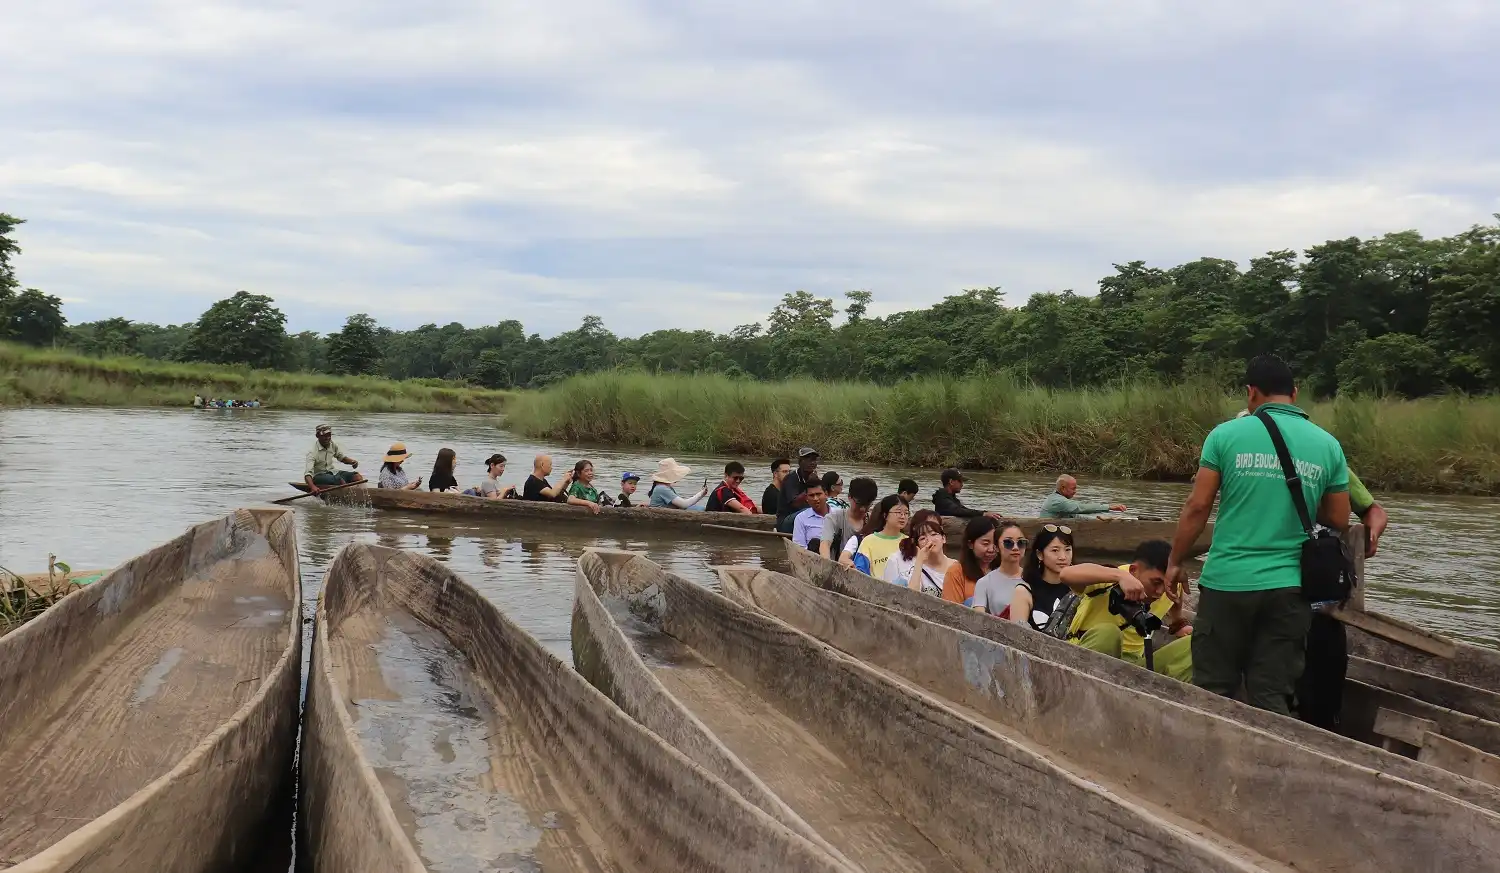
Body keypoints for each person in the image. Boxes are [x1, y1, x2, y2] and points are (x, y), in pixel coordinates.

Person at [1167, 355, 1350, 716]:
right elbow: (1339, 517)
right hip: (1289, 588)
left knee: (1213, 689)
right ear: (1294, 393)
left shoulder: (1225, 435)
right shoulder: (1327, 445)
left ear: (1251, 392)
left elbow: (1197, 507)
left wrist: (1175, 560)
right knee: (1272, 694)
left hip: (1228, 584)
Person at [1060, 540, 1193, 682]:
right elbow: (1066, 574)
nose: (1160, 592)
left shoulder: (1169, 589)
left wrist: (1178, 622)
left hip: (1134, 665)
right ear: (1134, 571)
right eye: (1155, 583)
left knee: (1198, 643)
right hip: (1089, 653)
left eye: (1167, 584)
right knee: (1109, 633)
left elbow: (1176, 597)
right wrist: (1120, 576)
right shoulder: (1110, 579)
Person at [1011, 524, 1075, 630]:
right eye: (1055, 550)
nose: (1063, 557)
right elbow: (1016, 635)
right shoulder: (1024, 591)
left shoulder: (1077, 589)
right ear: (1040, 554)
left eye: (1067, 550)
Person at [885, 509, 954, 596]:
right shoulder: (896, 559)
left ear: (943, 536)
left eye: (933, 531)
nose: (929, 539)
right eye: (923, 535)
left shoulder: (955, 566)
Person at [941, 516, 1002, 607]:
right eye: (985, 543)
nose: (991, 549)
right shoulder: (956, 572)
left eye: (996, 543)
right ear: (970, 544)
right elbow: (952, 611)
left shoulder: (1004, 569)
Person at [971, 520, 1027, 618]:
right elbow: (978, 619)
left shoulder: (1034, 579)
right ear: (996, 547)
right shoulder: (985, 582)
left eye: (1021, 542)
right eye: (1008, 543)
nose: (1015, 548)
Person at [819, 477, 878, 564]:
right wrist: (827, 562)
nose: (862, 509)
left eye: (867, 504)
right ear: (849, 497)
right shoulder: (833, 518)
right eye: (859, 503)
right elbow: (825, 544)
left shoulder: (874, 521)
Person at [853, 495, 909, 577]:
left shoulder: (909, 541)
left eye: (906, 513)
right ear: (885, 515)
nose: (903, 516)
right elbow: (860, 572)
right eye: (898, 512)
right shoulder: (869, 541)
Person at [522, 455, 596, 513]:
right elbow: (552, 493)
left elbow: (556, 496)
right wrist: (563, 479)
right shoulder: (533, 481)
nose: (551, 468)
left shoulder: (542, 481)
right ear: (542, 465)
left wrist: (566, 483)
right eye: (550, 465)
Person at [303, 424, 364, 493]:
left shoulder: (332, 444)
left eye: (329, 435)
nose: (327, 438)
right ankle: (348, 497)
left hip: (332, 472)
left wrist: (352, 462)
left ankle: (360, 495)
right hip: (318, 476)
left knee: (357, 477)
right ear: (318, 436)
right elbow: (307, 474)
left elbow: (341, 457)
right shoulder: (312, 452)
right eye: (324, 436)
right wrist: (312, 487)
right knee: (339, 480)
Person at [777, 447, 822, 533]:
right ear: (800, 462)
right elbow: (795, 503)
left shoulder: (813, 477)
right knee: (811, 511)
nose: (812, 463)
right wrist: (809, 486)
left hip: (802, 518)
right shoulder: (791, 478)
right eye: (809, 460)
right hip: (785, 521)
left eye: (814, 460)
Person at [1040, 475, 1126, 518]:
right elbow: (1081, 508)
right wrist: (1109, 507)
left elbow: (1075, 515)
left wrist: (1098, 519)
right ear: (1063, 488)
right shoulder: (1058, 501)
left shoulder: (1057, 498)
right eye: (1073, 489)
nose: (1075, 492)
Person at [931, 469, 1000, 520]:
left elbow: (964, 510)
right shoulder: (942, 498)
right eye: (960, 481)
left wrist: (986, 513)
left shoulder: (952, 498)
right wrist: (982, 514)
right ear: (951, 482)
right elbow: (957, 510)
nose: (962, 484)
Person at [790, 478, 832, 550]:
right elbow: (800, 548)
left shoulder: (838, 515)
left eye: (818, 494)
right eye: (811, 495)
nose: (815, 498)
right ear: (806, 498)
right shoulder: (801, 518)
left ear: (826, 494)